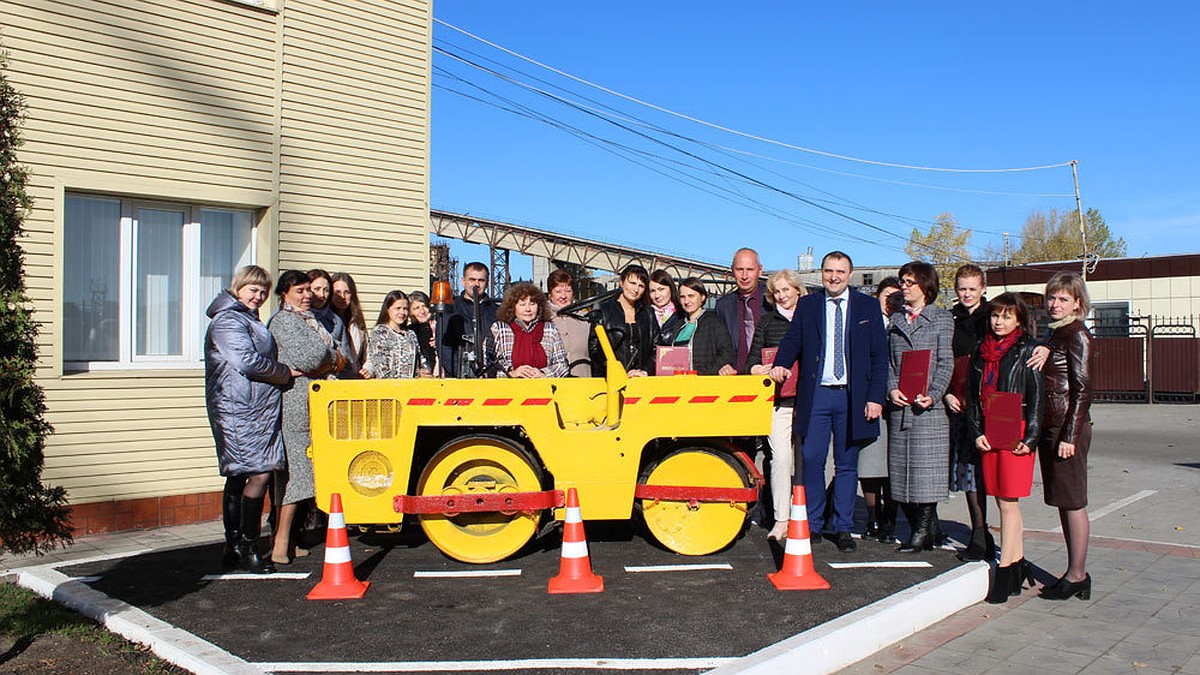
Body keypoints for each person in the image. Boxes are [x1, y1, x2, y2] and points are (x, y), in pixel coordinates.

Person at [770, 251, 888, 552]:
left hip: (852, 395)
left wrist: (875, 397)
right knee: (811, 459)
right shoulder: (809, 305)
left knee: (847, 464)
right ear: (821, 273)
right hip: (818, 393)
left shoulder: (868, 306)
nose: (833, 277)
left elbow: (879, 356)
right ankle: (814, 522)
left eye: (840, 271)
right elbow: (793, 340)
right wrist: (782, 363)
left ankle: (843, 526)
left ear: (850, 274)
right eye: (828, 271)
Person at [204, 265, 298, 574]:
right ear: (237, 288)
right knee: (258, 473)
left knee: (239, 474)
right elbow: (246, 362)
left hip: (252, 407)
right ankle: (248, 545)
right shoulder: (229, 321)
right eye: (252, 290)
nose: (257, 296)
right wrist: (283, 372)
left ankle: (232, 544)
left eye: (262, 292)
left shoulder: (246, 318)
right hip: (238, 408)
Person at [964, 292, 1044, 603]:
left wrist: (1032, 436)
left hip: (1017, 433)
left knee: (1009, 502)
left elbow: (1036, 398)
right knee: (1002, 502)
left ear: (1019, 320)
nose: (1000, 322)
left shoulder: (1028, 351)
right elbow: (972, 399)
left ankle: (1007, 567)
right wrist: (976, 432)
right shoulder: (980, 352)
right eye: (997, 315)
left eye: (1008, 316)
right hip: (989, 433)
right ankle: (1019, 562)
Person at [267, 270, 346, 565]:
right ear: (284, 293)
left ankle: (291, 540)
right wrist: (327, 358)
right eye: (299, 291)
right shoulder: (284, 321)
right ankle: (280, 541)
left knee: (306, 474)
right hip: (296, 403)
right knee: (295, 475)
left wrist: (326, 357)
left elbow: (340, 355)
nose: (306, 296)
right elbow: (314, 357)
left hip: (312, 400)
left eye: (307, 290)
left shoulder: (309, 320)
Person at [886, 261, 955, 553]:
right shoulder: (895, 321)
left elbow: (945, 362)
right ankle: (927, 529)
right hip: (902, 407)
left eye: (910, 282)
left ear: (925, 286)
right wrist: (891, 388)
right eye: (902, 281)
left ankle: (922, 531)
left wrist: (935, 393)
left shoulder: (941, 319)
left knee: (927, 474)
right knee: (901, 474)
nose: (904, 286)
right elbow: (889, 364)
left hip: (928, 409)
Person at [1036, 273, 1095, 601]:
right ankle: (1074, 572)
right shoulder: (1055, 332)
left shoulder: (1078, 335)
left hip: (1066, 429)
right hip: (1052, 425)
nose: (1055, 304)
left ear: (1077, 303)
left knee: (1073, 501)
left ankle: (1077, 574)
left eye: (1062, 299)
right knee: (1062, 500)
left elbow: (1083, 389)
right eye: (1052, 298)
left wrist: (1070, 434)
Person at [745, 269, 808, 540]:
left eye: (786, 290)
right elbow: (750, 365)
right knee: (780, 458)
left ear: (797, 290)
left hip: (808, 401)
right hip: (779, 402)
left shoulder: (811, 318)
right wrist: (764, 369)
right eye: (777, 291)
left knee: (809, 460)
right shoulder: (767, 322)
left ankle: (809, 516)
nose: (782, 296)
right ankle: (781, 519)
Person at [945, 264, 994, 561]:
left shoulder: (993, 316)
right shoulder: (950, 318)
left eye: (972, 289)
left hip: (988, 404)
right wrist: (947, 392)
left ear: (983, 289)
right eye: (962, 288)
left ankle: (991, 535)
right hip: (959, 403)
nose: (967, 294)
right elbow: (944, 358)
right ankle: (979, 531)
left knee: (989, 472)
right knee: (968, 472)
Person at [858, 277, 902, 543]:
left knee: (893, 466)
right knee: (870, 463)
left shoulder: (905, 325)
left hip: (897, 403)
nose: (891, 301)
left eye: (897, 297)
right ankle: (872, 518)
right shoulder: (866, 323)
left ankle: (890, 520)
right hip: (870, 400)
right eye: (887, 295)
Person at [490, 282, 569, 378]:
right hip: (508, 389)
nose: (528, 309)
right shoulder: (499, 329)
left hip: (543, 389)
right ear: (513, 307)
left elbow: (562, 365)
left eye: (532, 304)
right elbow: (489, 365)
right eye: (522, 304)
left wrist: (543, 374)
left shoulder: (550, 329)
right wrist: (511, 373)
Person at [589, 264, 655, 377]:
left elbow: (656, 348)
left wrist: (645, 371)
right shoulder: (604, 310)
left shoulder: (648, 313)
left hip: (641, 380)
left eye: (641, 286)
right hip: (611, 380)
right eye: (632, 283)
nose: (636, 290)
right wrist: (617, 371)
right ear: (621, 282)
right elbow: (594, 349)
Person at [716, 247, 769, 375]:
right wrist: (723, 365)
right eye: (740, 270)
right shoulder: (723, 306)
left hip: (769, 376)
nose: (744, 276)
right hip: (736, 380)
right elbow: (718, 345)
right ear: (732, 271)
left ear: (760, 270)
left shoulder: (772, 299)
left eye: (750, 270)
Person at [443, 262, 498, 378]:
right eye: (472, 279)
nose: (476, 284)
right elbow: (444, 348)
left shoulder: (497, 311)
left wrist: (491, 372)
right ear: (463, 281)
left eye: (481, 280)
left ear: (487, 283)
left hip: (490, 379)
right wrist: (461, 373)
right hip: (458, 379)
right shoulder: (451, 309)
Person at [672, 278, 735, 376]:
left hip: (705, 383)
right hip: (680, 383)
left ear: (702, 297)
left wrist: (702, 373)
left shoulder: (713, 321)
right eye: (682, 297)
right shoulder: (678, 325)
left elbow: (727, 354)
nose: (686, 301)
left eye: (691, 296)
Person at [365, 290, 425, 379]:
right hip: (389, 389)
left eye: (405, 309)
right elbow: (380, 366)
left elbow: (418, 364)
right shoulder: (380, 332)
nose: (402, 312)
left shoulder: (411, 334)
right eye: (398, 308)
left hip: (411, 389)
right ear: (388, 309)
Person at [547, 269, 592, 377]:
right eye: (558, 291)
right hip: (553, 384)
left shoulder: (586, 319)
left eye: (568, 291)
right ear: (550, 294)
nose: (563, 296)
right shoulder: (543, 318)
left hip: (583, 382)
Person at [330, 272, 369, 379]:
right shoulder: (325, 321)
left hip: (354, 382)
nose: (342, 296)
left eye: (346, 292)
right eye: (337, 292)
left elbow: (367, 355)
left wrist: (367, 369)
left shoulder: (358, 322)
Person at [648, 269, 685, 346]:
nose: (657, 295)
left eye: (661, 289)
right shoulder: (644, 314)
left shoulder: (682, 315)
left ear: (671, 289)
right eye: (652, 291)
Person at [408, 290, 439, 375]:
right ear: (410, 313)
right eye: (416, 308)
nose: (422, 311)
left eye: (424, 306)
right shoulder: (409, 332)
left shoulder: (440, 326)